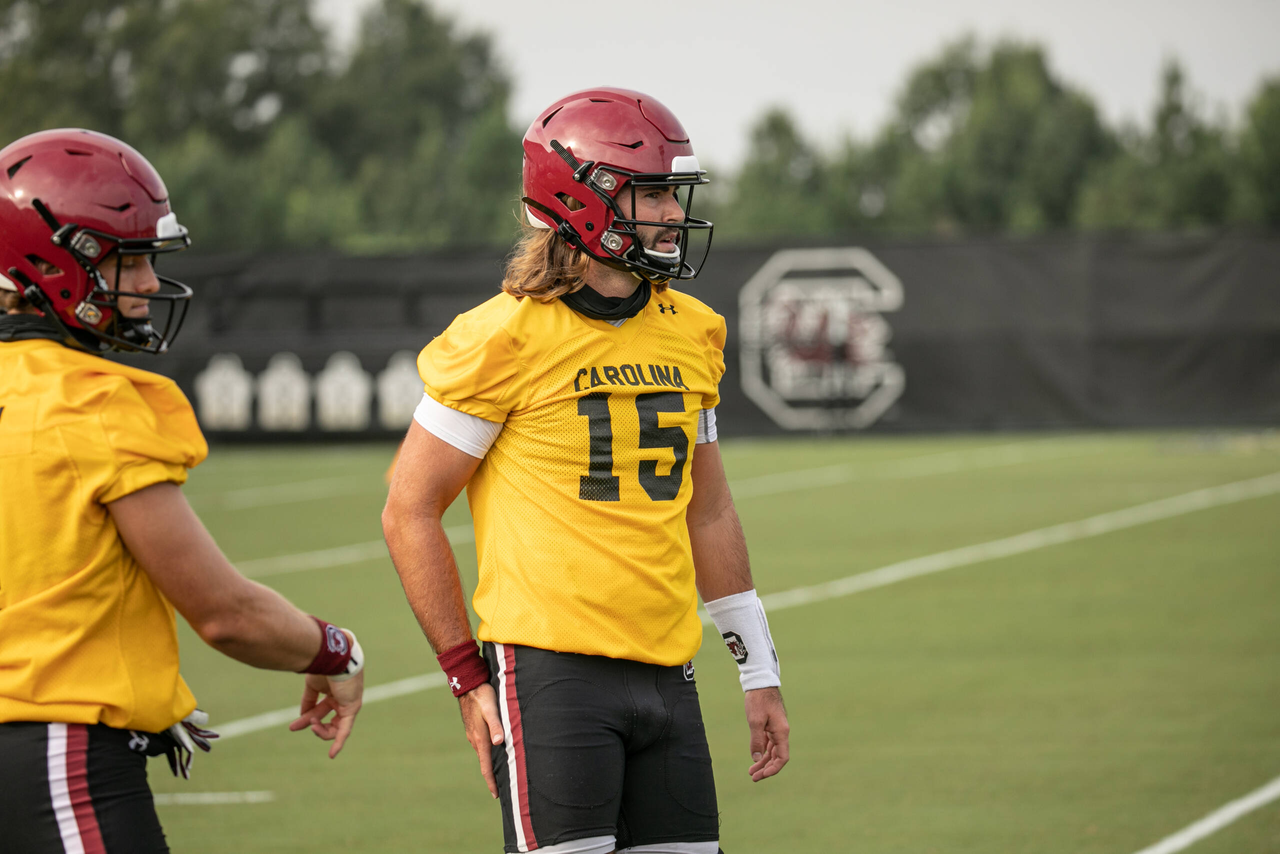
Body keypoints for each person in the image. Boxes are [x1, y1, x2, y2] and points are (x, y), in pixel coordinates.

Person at [383, 88, 789, 854]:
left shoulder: (692, 331)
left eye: (675, 192)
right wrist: (466, 676)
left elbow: (708, 510)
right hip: (551, 676)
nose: (672, 212)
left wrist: (758, 668)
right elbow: (408, 508)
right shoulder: (500, 338)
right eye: (653, 191)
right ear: (582, 200)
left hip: (669, 672)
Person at [0, 128, 366, 854]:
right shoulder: (95, 401)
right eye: (125, 261)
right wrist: (335, 652)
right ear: (53, 262)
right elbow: (225, 614)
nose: (143, 285)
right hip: (57, 751)